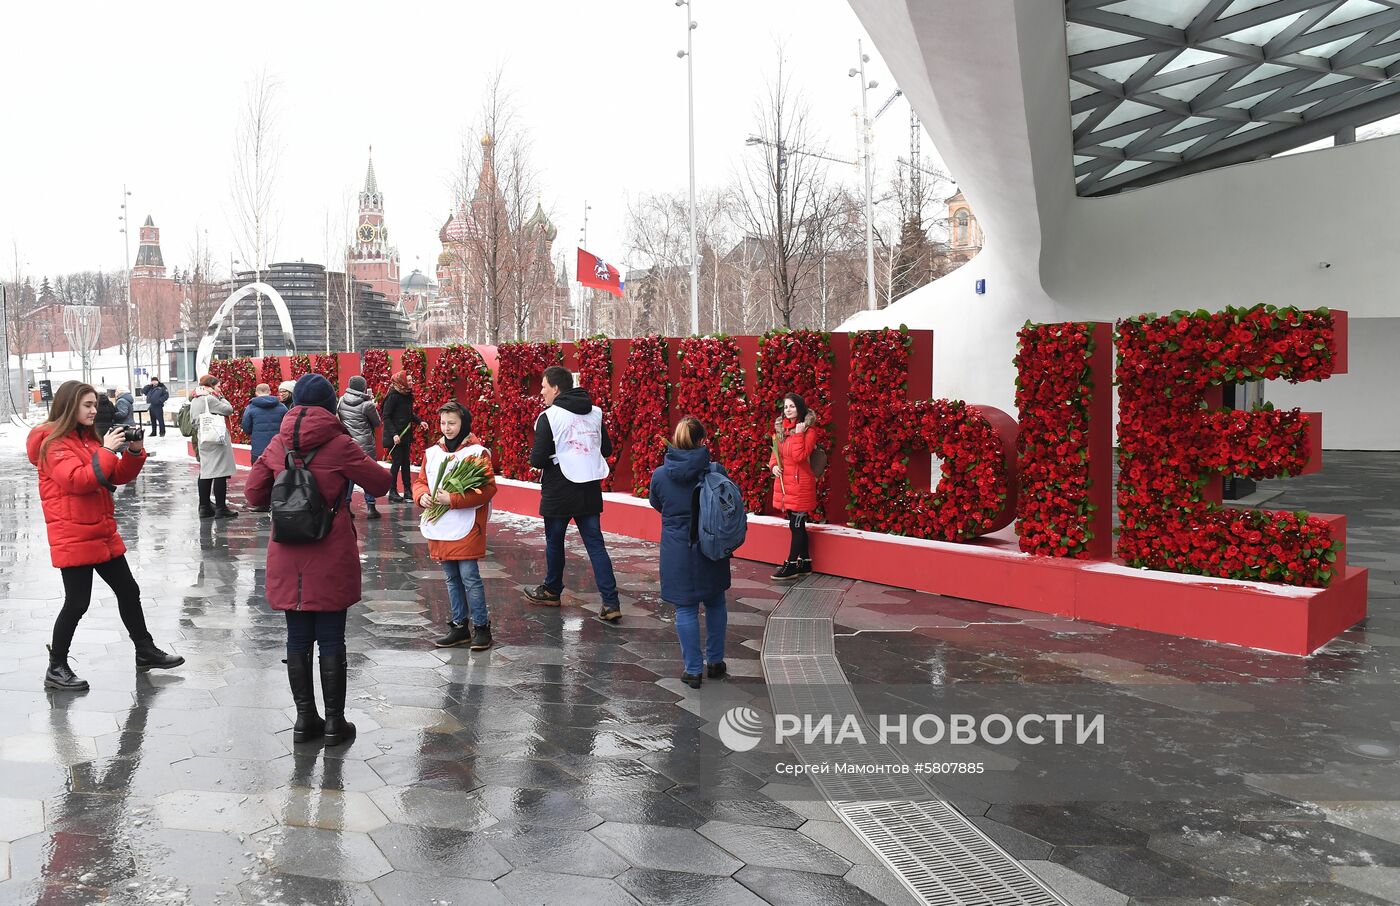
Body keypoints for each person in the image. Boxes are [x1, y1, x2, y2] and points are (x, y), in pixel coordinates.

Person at [245, 374, 393, 747]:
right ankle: (335, 724)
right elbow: (379, 484)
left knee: (297, 637)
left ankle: (303, 721)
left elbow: (252, 493)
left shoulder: (279, 443)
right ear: (330, 406)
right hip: (330, 547)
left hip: (287, 549)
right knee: (330, 638)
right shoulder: (340, 444)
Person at [27, 380, 184, 691]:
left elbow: (114, 475)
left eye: (94, 405)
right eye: (86, 405)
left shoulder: (86, 440)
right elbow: (79, 481)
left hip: (101, 530)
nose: (93, 410)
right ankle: (56, 667)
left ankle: (145, 650)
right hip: (73, 534)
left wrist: (134, 453)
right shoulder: (52, 444)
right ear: (69, 406)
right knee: (77, 603)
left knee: (128, 590)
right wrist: (107, 450)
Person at [522, 365, 621, 622]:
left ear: (555, 388)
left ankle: (552, 590)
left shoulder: (550, 416)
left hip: (559, 487)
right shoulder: (596, 413)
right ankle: (611, 603)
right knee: (595, 545)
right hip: (589, 487)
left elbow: (537, 458)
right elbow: (607, 449)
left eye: (543, 387)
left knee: (555, 542)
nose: (541, 392)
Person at [649, 417, 730, 688]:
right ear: (702, 441)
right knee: (716, 602)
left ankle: (693, 670)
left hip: (677, 550)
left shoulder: (660, 475)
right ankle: (716, 662)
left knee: (685, 609)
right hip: (711, 545)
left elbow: (656, 503)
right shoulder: (716, 471)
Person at [414, 402, 498, 650]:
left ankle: (481, 627)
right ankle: (459, 626)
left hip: (466, 525)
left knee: (470, 576)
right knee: (451, 577)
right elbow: (421, 481)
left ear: (464, 424)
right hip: (441, 524)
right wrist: (422, 496)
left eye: (452, 423)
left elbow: (487, 489)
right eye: (443, 423)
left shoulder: (477, 453)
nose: (446, 428)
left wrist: (453, 499)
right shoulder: (432, 452)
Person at [768, 392, 820, 581]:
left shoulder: (809, 431)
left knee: (795, 524)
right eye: (786, 407)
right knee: (797, 525)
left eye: (792, 406)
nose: (788, 410)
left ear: (800, 408)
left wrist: (798, 433)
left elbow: (799, 457)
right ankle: (805, 562)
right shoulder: (781, 430)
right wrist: (773, 466)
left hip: (800, 484)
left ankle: (790, 564)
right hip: (785, 484)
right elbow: (776, 453)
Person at [190, 374, 238, 519]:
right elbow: (229, 409)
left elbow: (193, 421)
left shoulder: (195, 399)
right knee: (220, 473)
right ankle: (221, 508)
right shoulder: (211, 398)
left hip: (203, 438)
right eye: (218, 386)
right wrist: (221, 396)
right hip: (216, 439)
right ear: (210, 386)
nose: (220, 389)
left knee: (206, 471)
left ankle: (204, 507)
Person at [338, 376, 383, 519]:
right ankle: (371, 507)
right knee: (367, 474)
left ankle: (346, 505)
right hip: (365, 445)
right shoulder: (367, 404)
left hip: (348, 443)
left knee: (349, 475)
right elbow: (377, 423)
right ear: (363, 387)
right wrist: (374, 406)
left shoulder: (341, 400)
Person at [381, 370, 423, 504]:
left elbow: (409, 414)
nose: (411, 383)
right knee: (397, 462)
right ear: (402, 381)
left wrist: (420, 421)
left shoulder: (407, 395)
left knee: (406, 463)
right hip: (396, 436)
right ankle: (392, 491)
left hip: (405, 435)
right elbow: (386, 417)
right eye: (409, 380)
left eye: (411, 380)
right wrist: (394, 434)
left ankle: (407, 490)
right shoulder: (393, 396)